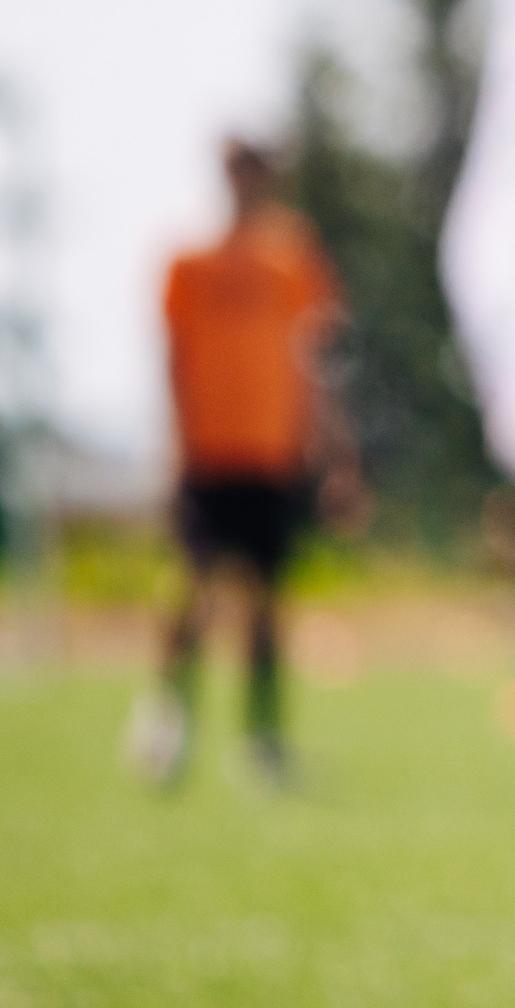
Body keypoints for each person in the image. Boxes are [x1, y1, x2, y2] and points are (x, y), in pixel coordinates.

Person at [130, 136, 357, 789]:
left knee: (266, 603)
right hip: (207, 452)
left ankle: (262, 741)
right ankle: (167, 722)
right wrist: (172, 447)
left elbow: (315, 357)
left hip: (272, 453)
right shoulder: (189, 260)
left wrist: (337, 454)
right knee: (192, 591)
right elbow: (171, 361)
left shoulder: (292, 255)